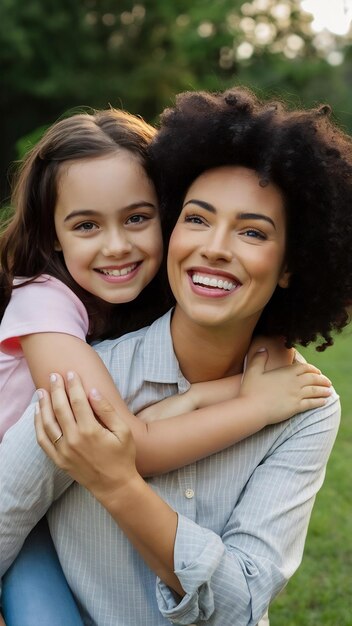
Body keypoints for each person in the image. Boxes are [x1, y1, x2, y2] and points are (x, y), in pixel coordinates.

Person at [1, 87, 351, 625]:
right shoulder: (79, 374)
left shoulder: (305, 406)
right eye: (198, 218)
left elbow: (238, 605)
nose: (215, 247)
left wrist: (118, 485)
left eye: (253, 232)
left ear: (291, 264)